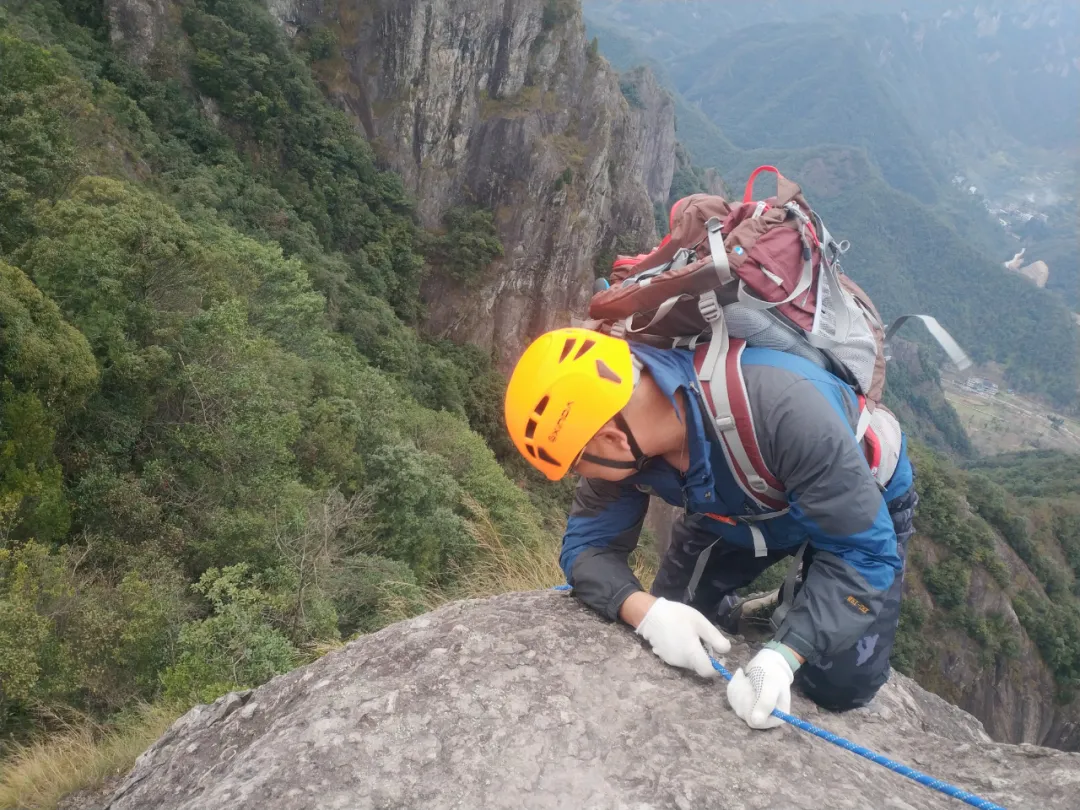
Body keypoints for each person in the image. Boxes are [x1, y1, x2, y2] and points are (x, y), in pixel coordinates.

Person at [503, 327, 918, 730]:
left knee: (838, 687)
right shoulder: (627, 436)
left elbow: (863, 552)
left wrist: (784, 655)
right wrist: (646, 612)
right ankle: (761, 609)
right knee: (681, 623)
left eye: (579, 463)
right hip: (738, 507)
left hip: (861, 508)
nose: (585, 475)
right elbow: (586, 546)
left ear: (610, 439)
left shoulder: (784, 409)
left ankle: (798, 603)